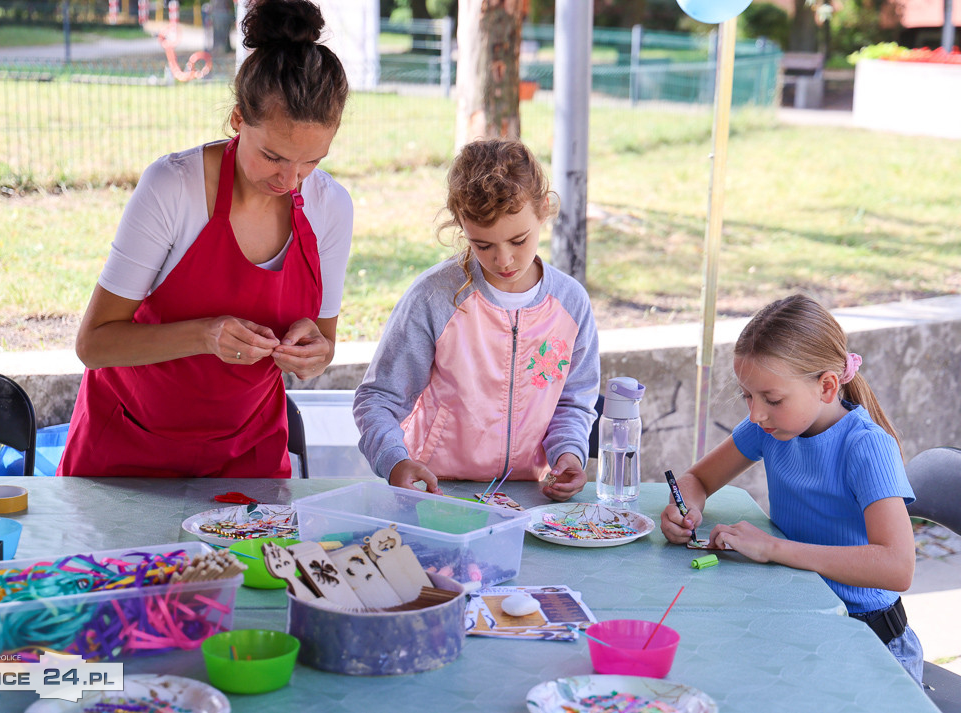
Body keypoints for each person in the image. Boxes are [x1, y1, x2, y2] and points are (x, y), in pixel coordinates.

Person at [58, 0, 351, 478]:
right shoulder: (173, 187)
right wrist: (204, 335)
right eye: (274, 157)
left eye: (312, 161)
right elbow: (94, 344)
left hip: (248, 453)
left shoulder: (330, 208)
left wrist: (314, 354)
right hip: (127, 449)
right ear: (238, 120)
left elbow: (324, 342)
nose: (291, 180)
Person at [660, 294, 923, 684]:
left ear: (828, 386)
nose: (755, 413)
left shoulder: (866, 446)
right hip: (799, 617)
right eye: (747, 395)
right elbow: (697, 480)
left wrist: (774, 549)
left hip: (868, 641)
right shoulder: (770, 427)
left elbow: (898, 567)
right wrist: (684, 508)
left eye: (772, 399)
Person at [353, 139, 600, 502]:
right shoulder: (434, 297)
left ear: (544, 210)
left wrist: (569, 455)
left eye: (518, 240)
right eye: (483, 245)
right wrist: (395, 462)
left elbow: (573, 402)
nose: (504, 260)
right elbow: (378, 399)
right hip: (435, 492)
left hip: (529, 498)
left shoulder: (571, 303)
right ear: (462, 227)